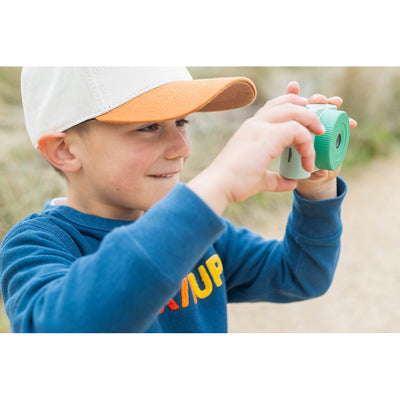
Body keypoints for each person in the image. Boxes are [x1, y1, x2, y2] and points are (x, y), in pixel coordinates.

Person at [0, 67, 356, 333]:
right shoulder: (37, 246)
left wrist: (315, 189)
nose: (183, 148)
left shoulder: (203, 237)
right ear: (64, 150)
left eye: (182, 122)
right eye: (149, 127)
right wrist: (215, 187)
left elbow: (300, 275)